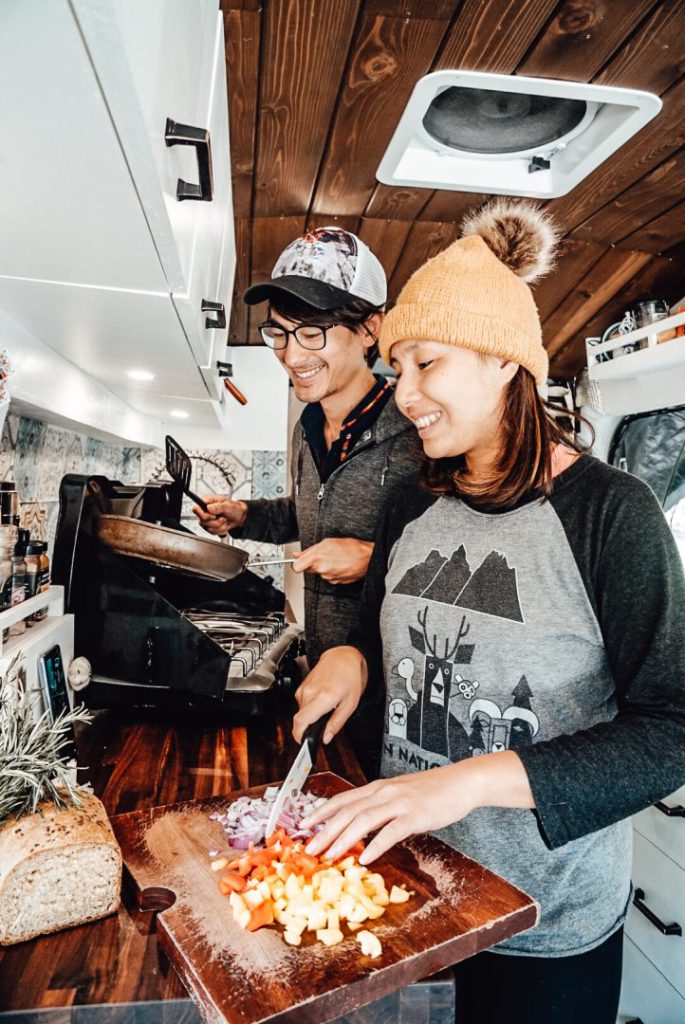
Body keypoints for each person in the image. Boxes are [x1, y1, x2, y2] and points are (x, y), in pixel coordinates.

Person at [292, 200, 685, 1024]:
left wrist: (463, 784)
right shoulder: (410, 501)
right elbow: (370, 628)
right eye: (399, 368)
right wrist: (349, 658)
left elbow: (670, 729)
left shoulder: (612, 513)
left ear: (505, 363)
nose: (406, 395)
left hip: (543, 920)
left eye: (426, 363)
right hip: (407, 880)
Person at [194, 227, 420, 768]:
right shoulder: (307, 426)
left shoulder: (417, 432)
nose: (291, 355)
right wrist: (245, 516)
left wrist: (372, 560)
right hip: (325, 672)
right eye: (280, 333)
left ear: (370, 329)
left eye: (313, 332)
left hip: (399, 693)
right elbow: (308, 513)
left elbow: (463, 557)